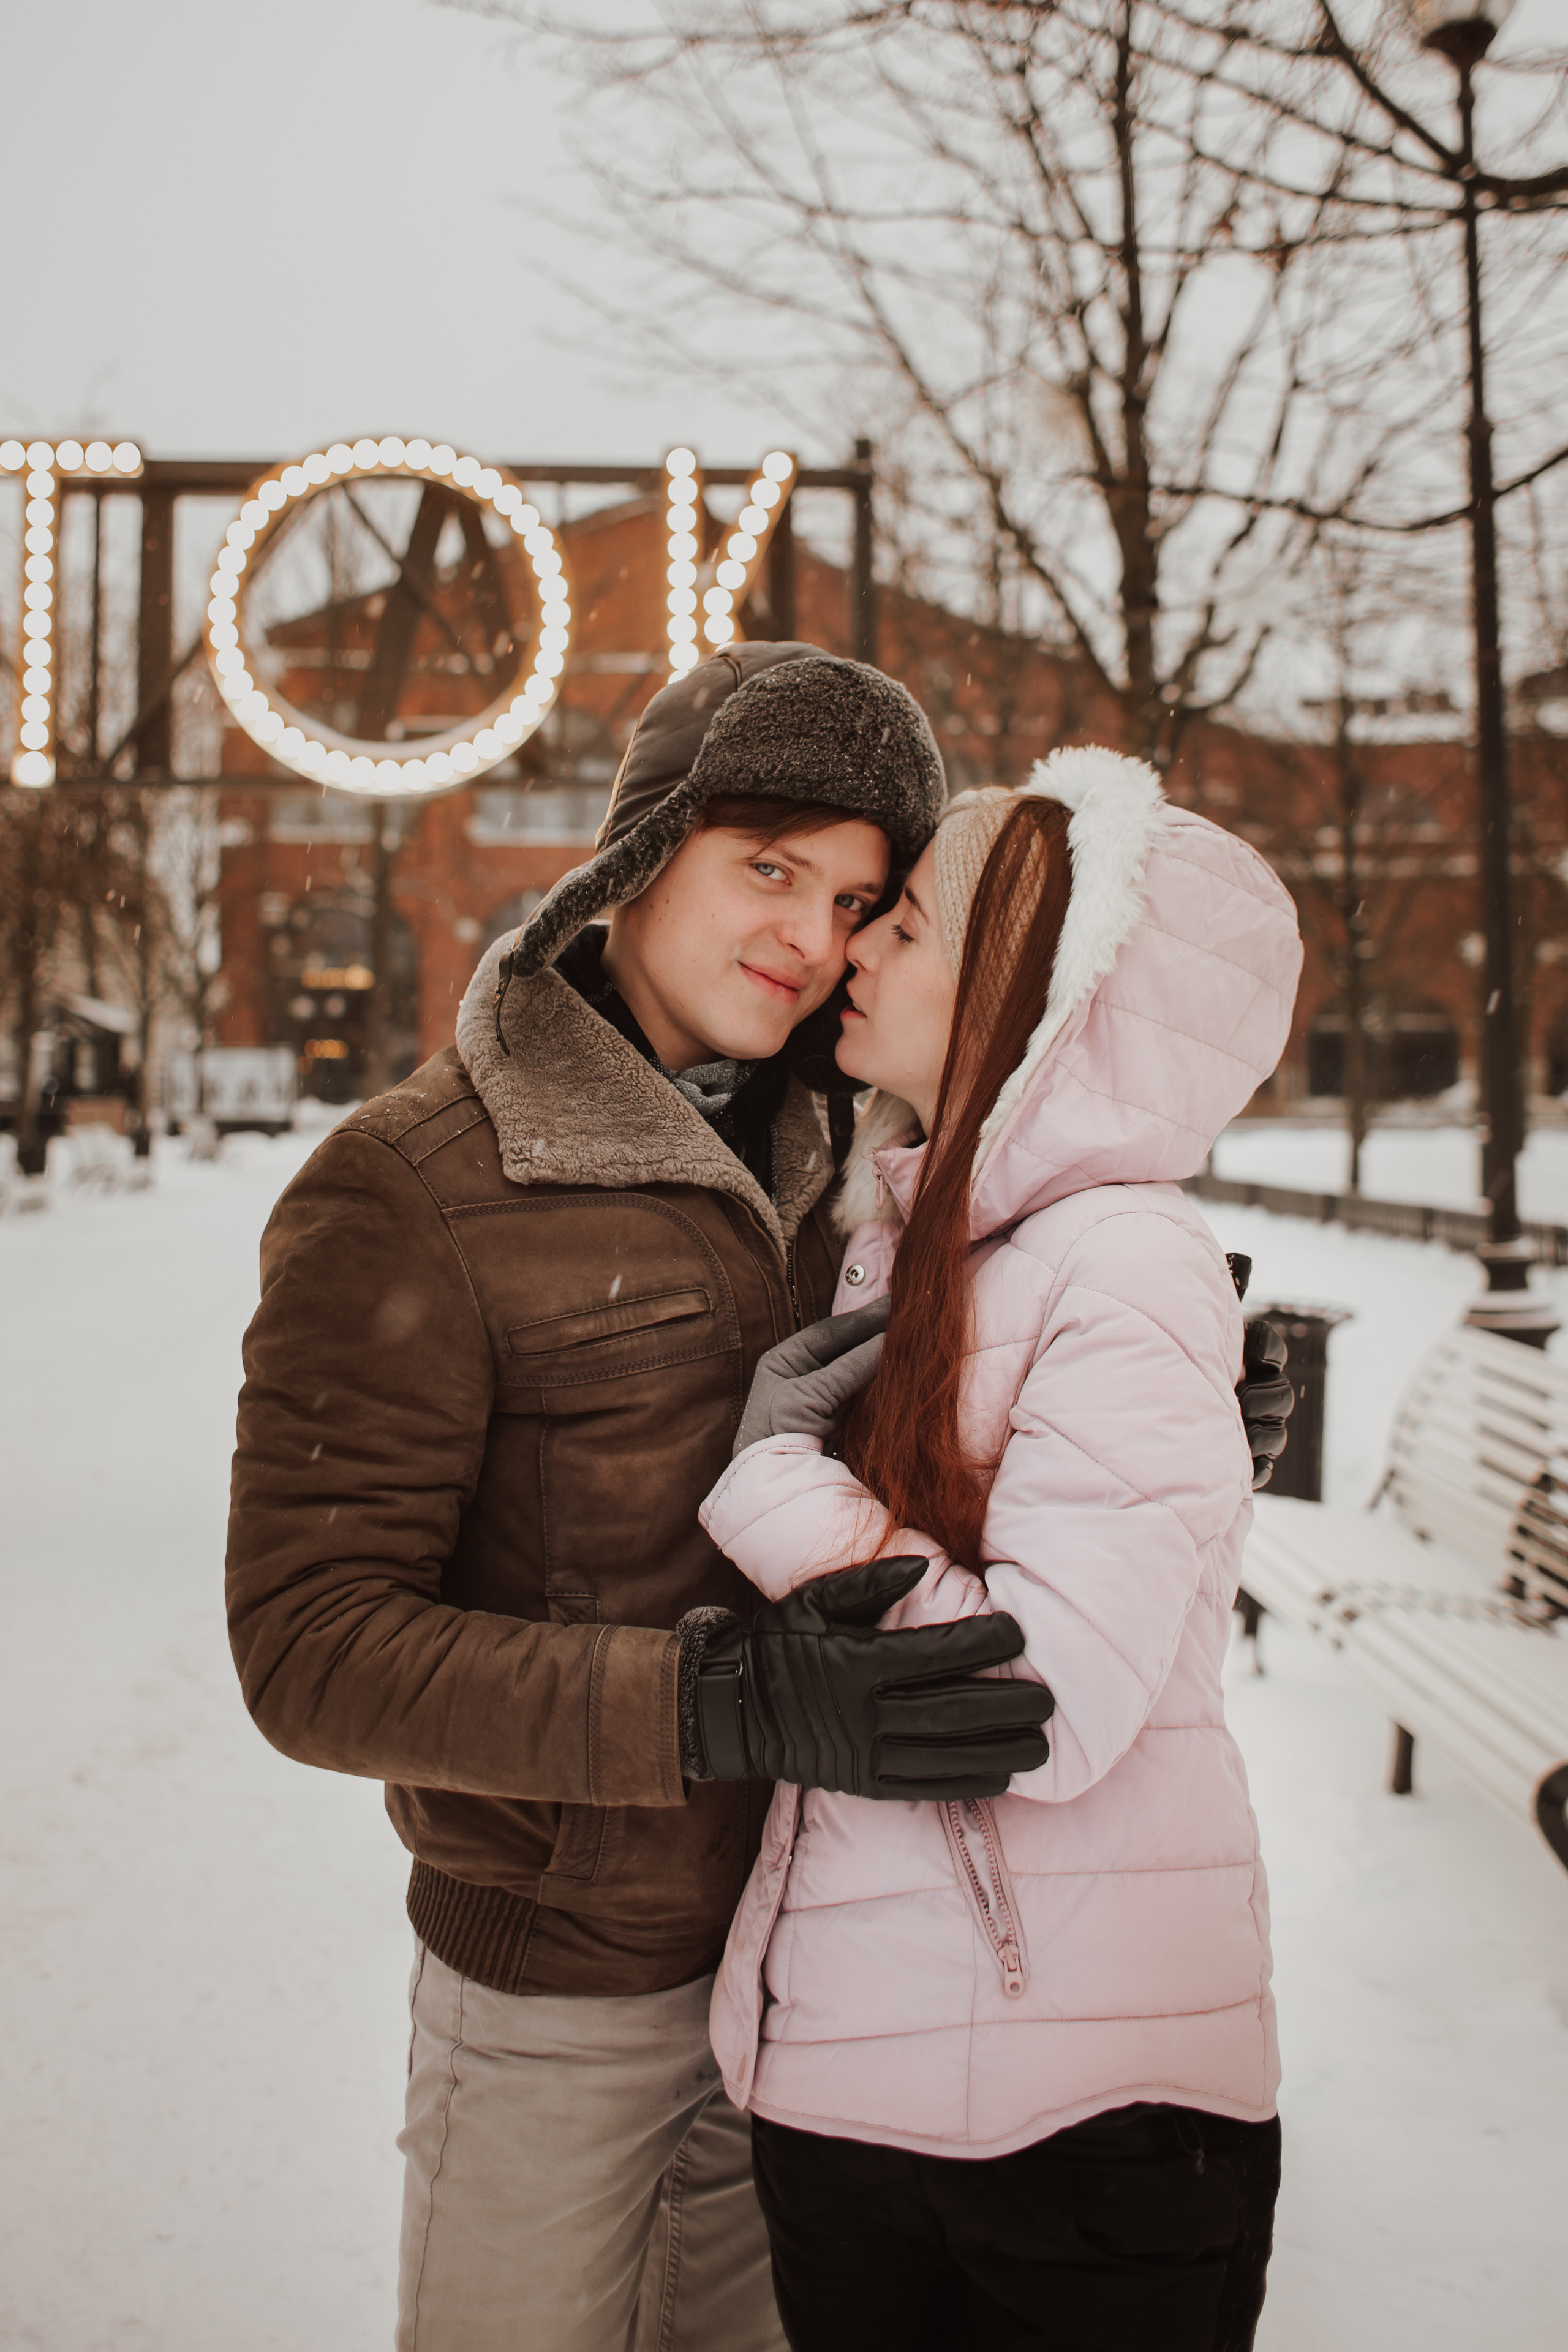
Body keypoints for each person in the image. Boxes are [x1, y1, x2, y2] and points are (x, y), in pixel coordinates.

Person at [225, 643, 1055, 2352]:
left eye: (859, 901)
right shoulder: (414, 1186)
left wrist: (1150, 1400)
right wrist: (713, 1703)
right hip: (557, 1996)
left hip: (814, 1966)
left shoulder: (856, 1174)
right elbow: (310, 1647)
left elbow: (916, 1478)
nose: (811, 937)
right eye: (772, 868)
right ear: (640, 854)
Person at [684, 747, 1305, 2352]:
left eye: (908, 925)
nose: (859, 946)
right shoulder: (914, 1246)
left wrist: (775, 1478)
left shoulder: (1125, 1260)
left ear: (1036, 993)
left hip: (1077, 2128)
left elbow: (1035, 1703)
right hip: (859, 2101)